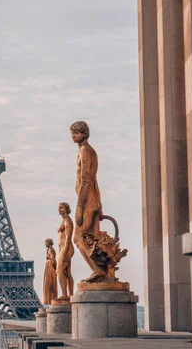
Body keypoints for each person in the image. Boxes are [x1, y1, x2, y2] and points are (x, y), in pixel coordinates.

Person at [70, 120, 106, 282]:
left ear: (84, 133)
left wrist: (78, 207)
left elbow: (85, 180)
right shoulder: (89, 151)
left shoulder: (85, 151)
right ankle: (100, 270)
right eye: (71, 133)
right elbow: (94, 181)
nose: (72, 136)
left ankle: (97, 269)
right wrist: (99, 204)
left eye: (75, 133)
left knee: (77, 238)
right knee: (92, 238)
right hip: (92, 200)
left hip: (86, 201)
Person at [57, 202, 75, 299]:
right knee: (67, 272)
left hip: (66, 248)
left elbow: (68, 237)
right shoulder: (64, 221)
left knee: (59, 271)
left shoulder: (67, 221)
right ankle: (70, 295)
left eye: (61, 208)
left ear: (66, 209)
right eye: (59, 208)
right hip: (64, 248)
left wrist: (64, 251)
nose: (59, 209)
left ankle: (64, 295)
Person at [42, 238, 58, 305]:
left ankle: (49, 300)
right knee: (48, 284)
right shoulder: (49, 250)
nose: (45, 244)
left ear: (49, 243)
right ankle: (48, 301)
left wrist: (55, 268)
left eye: (46, 243)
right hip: (49, 266)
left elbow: (53, 259)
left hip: (50, 267)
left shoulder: (51, 250)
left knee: (49, 283)